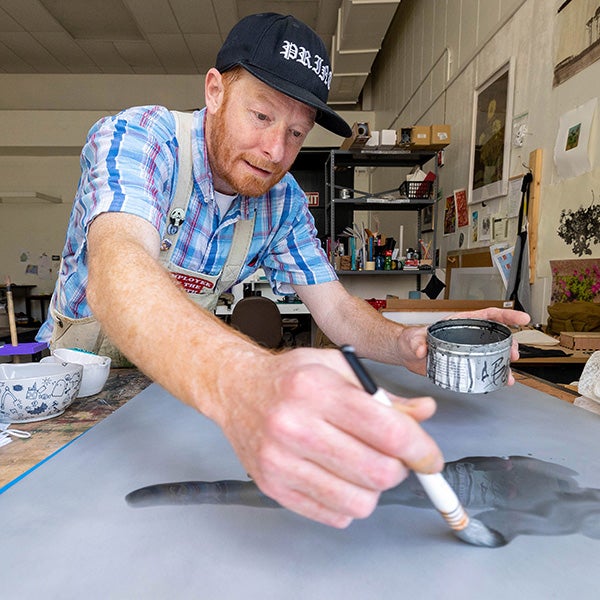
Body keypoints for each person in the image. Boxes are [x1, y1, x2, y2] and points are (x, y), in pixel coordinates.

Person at [37, 13, 530, 528]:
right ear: (214, 91)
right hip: (76, 396)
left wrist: (403, 343)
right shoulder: (139, 139)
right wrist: (249, 381)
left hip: (176, 393)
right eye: (261, 117)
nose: (276, 152)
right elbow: (117, 273)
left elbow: (336, 310)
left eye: (296, 133)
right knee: (80, 522)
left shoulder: (283, 203)